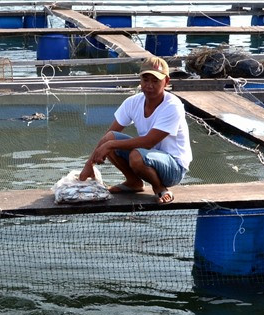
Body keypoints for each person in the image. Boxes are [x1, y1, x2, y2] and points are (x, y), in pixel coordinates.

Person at [78, 56, 192, 205]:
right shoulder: (133, 102)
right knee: (109, 138)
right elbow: (110, 134)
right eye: (146, 80)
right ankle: (133, 182)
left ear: (166, 82)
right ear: (140, 80)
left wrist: (110, 145)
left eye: (155, 81)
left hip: (174, 167)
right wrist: (89, 165)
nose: (149, 85)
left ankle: (160, 188)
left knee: (134, 155)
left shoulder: (173, 106)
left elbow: (149, 142)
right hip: (149, 158)